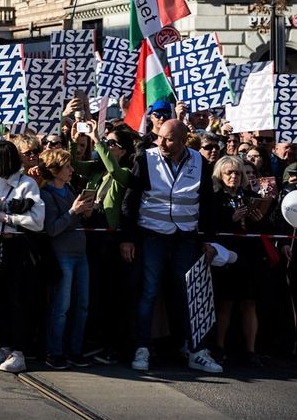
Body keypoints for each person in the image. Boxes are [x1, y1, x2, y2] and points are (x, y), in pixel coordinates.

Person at [120, 119, 223, 373]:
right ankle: (142, 348)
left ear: (182, 140)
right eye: (161, 137)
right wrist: (127, 238)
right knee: (149, 292)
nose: (162, 143)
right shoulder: (146, 159)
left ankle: (195, 350)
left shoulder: (199, 161)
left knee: (190, 293)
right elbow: (129, 201)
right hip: (152, 236)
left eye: (168, 139)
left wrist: (209, 240)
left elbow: (208, 203)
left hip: (185, 238)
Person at [0, 139, 45, 374]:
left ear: (2, 159)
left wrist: (8, 218)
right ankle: (3, 346)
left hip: (16, 248)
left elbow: (37, 222)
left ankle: (19, 351)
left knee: (18, 300)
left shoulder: (27, 185)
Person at [208, 154, 266, 366]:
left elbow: (262, 227)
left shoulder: (250, 196)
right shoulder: (215, 198)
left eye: (237, 173)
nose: (234, 176)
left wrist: (259, 220)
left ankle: (250, 350)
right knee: (226, 304)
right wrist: (230, 219)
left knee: (249, 303)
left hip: (249, 255)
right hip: (227, 256)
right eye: (229, 173)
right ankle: (220, 347)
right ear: (220, 175)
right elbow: (210, 226)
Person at [40, 148, 95, 369]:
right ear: (55, 170)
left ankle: (75, 349)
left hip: (80, 253)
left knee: (82, 305)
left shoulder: (70, 189)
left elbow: (74, 221)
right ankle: (54, 351)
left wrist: (85, 212)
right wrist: (73, 211)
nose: (72, 170)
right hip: (62, 255)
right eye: (67, 167)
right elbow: (52, 229)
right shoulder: (47, 195)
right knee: (61, 306)